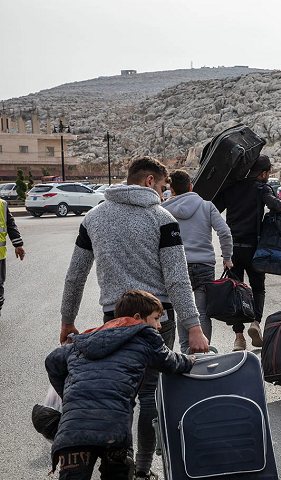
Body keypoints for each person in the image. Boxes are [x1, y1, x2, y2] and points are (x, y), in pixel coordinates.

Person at [60, 156, 208, 480]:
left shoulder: (93, 218)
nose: (165, 194)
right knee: (150, 394)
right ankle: (142, 470)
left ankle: (120, 463)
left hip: (114, 318)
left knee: (120, 390)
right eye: (164, 187)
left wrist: (67, 320)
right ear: (149, 181)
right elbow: (178, 279)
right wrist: (194, 327)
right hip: (158, 320)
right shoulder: (162, 218)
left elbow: (75, 276)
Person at [46, 290, 195, 480]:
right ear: (137, 318)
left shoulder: (84, 340)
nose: (159, 325)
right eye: (156, 318)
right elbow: (170, 362)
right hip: (113, 429)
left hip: (73, 430)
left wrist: (68, 397)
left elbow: (52, 361)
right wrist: (190, 361)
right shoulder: (145, 335)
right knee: (118, 474)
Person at [213, 155, 281, 351]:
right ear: (263, 173)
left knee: (234, 289)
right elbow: (277, 206)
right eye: (268, 173)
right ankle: (255, 323)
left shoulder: (232, 187)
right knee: (258, 288)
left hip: (232, 248)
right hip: (254, 249)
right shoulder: (261, 188)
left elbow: (215, 207)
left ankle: (238, 337)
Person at [162, 170, 234, 352]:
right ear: (191, 187)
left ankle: (186, 352)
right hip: (204, 265)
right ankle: (204, 351)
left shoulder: (164, 210)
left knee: (182, 310)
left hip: (177, 266)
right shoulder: (206, 206)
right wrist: (227, 257)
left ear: (171, 189)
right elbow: (224, 232)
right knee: (202, 312)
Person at [0, 197, 25, 317]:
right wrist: (18, 245)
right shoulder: (2, 204)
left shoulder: (2, 204)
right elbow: (11, 226)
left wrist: (18, 244)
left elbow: (10, 225)